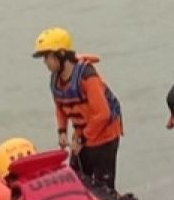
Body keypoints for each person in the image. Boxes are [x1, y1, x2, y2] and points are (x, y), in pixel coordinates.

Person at [32, 27, 124, 189]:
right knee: (77, 183)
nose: (45, 62)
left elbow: (103, 114)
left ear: (60, 55)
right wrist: (62, 131)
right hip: (82, 136)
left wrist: (82, 139)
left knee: (104, 189)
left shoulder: (87, 76)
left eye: (47, 57)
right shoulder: (55, 79)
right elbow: (60, 106)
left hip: (104, 137)